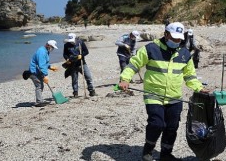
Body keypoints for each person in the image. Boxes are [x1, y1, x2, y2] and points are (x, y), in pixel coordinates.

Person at [119, 22, 209, 161]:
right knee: (157, 124)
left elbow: (190, 76)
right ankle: (147, 151)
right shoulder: (150, 49)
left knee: (172, 127)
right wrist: (125, 79)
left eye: (179, 39)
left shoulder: (184, 53)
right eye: (173, 38)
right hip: (154, 95)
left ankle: (166, 154)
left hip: (175, 97)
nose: (176, 41)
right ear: (166, 34)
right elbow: (133, 64)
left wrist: (199, 88)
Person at [63, 33, 97, 97]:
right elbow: (65, 54)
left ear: (75, 38)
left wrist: (81, 55)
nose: (71, 43)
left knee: (88, 77)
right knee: (74, 79)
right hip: (72, 64)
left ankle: (91, 91)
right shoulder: (66, 45)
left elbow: (86, 51)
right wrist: (67, 58)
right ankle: (75, 93)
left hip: (82, 63)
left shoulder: (80, 43)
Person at [29, 40, 58, 107]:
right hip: (34, 72)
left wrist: (50, 67)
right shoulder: (41, 52)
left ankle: (40, 100)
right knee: (39, 85)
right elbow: (41, 65)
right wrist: (45, 75)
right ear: (48, 45)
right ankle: (39, 102)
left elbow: (45, 63)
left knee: (40, 85)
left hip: (38, 71)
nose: (52, 49)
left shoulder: (45, 51)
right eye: (52, 47)